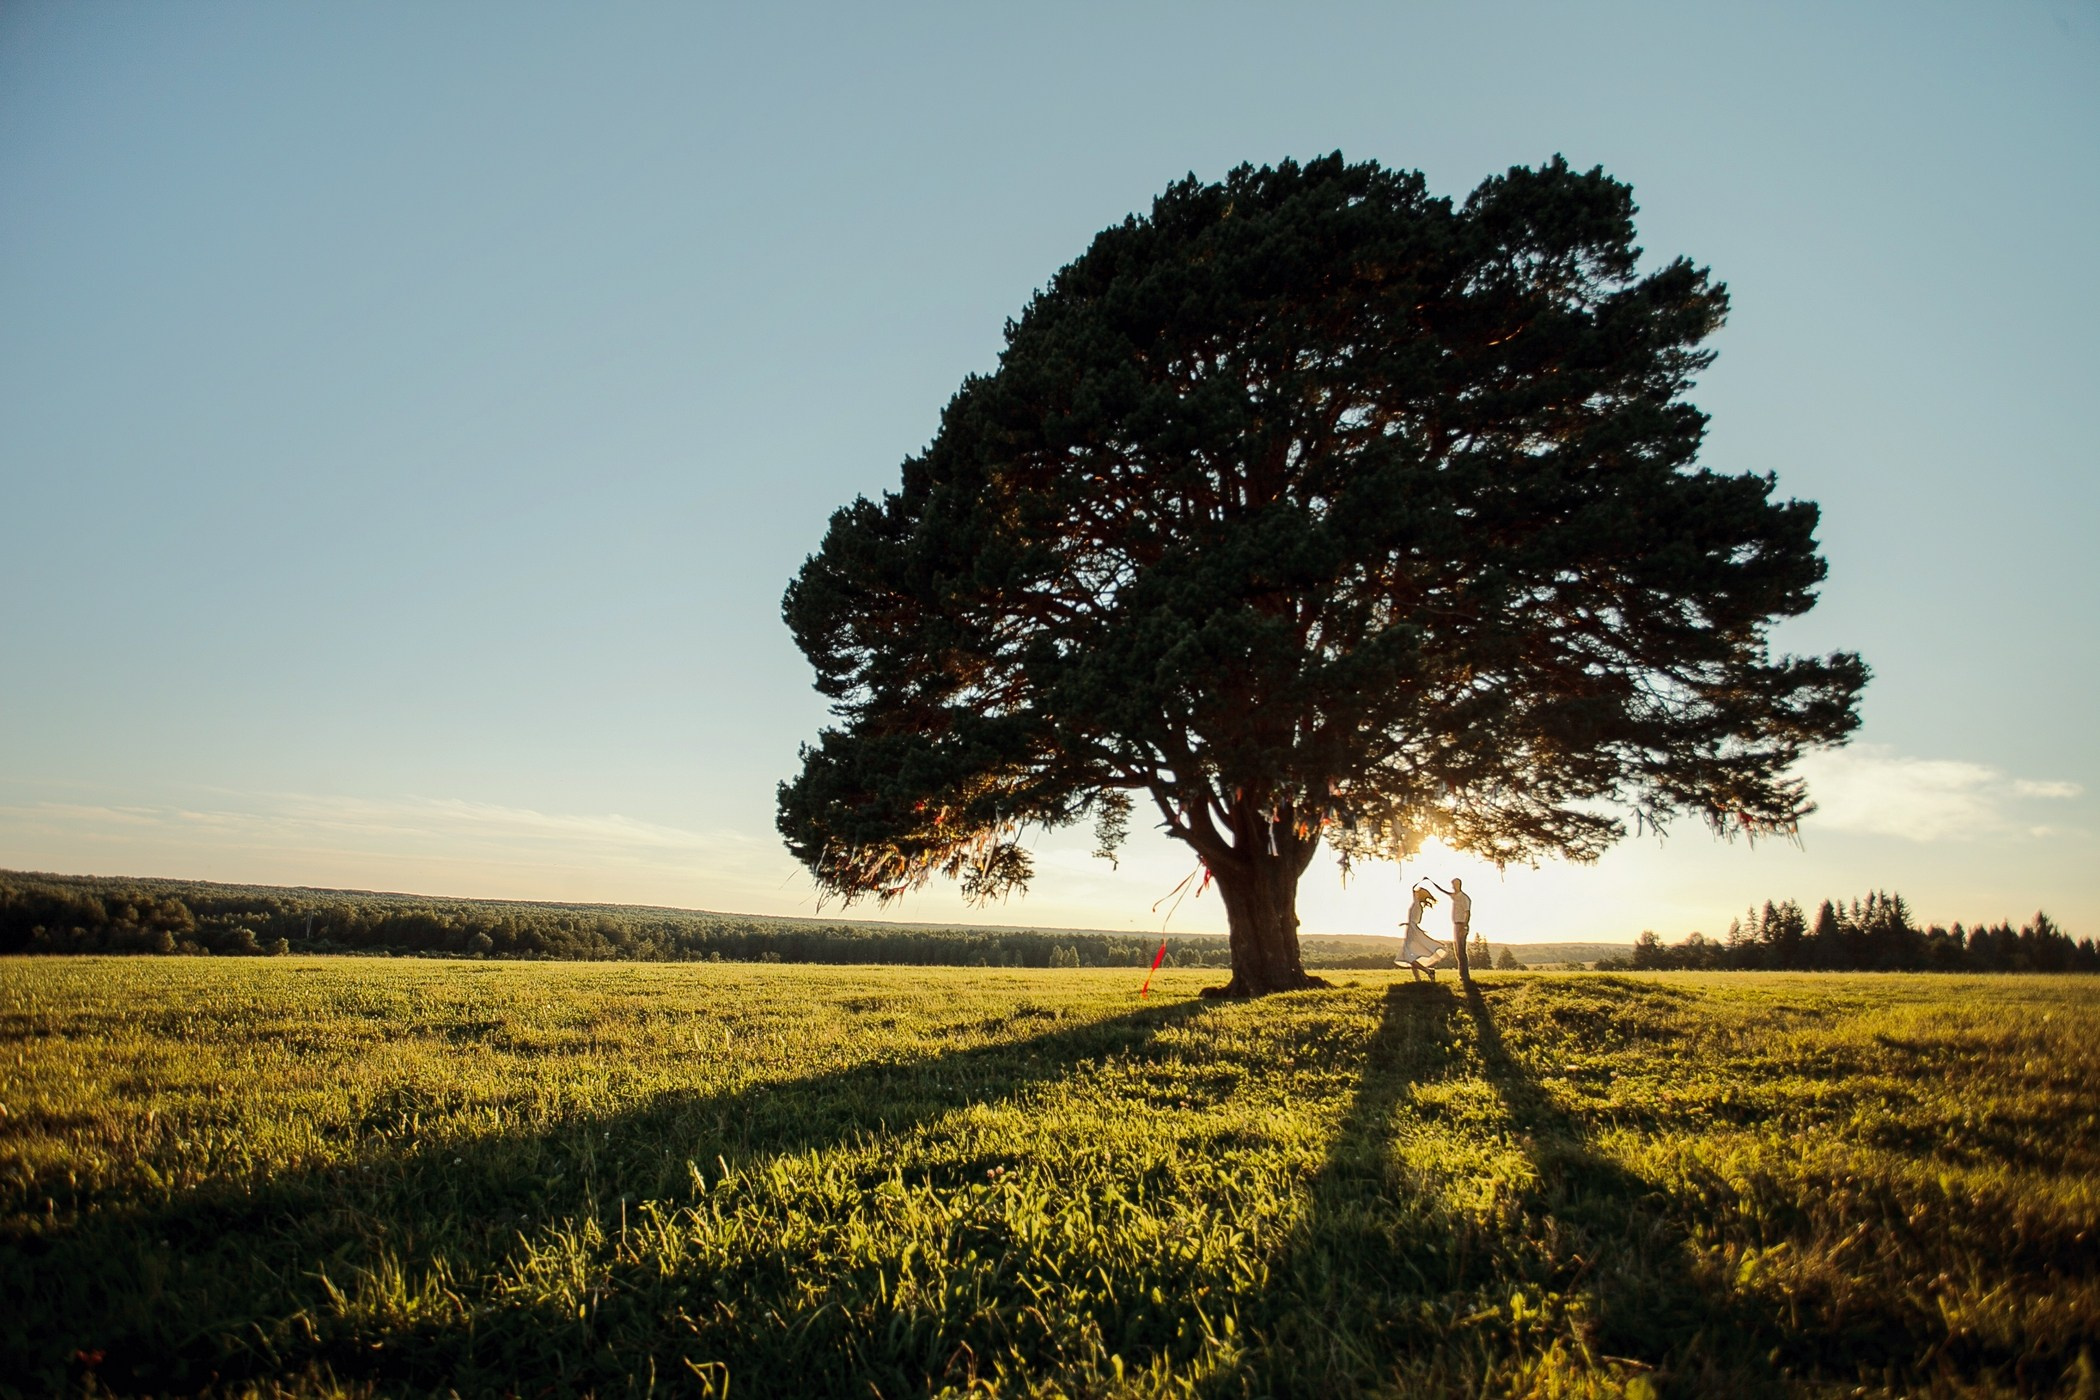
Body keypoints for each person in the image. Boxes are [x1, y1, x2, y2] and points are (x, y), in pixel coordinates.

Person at [1394, 884, 1448, 981]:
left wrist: (1419, 882)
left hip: (1412, 931)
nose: (1415, 894)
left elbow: (1415, 920)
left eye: (1417, 893)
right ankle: (1418, 979)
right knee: (1410, 955)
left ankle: (1428, 971)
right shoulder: (1417, 905)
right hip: (1411, 929)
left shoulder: (1417, 905)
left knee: (1409, 956)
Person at [1431, 878, 1473, 971]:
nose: (1452, 887)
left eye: (1454, 884)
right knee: (1458, 951)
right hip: (1457, 925)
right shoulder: (1455, 896)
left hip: (1461, 925)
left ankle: (1464, 975)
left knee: (1461, 951)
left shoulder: (1464, 898)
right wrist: (1432, 882)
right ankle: (1462, 974)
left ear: (1458, 885)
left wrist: (1465, 926)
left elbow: (1467, 913)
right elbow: (1443, 891)